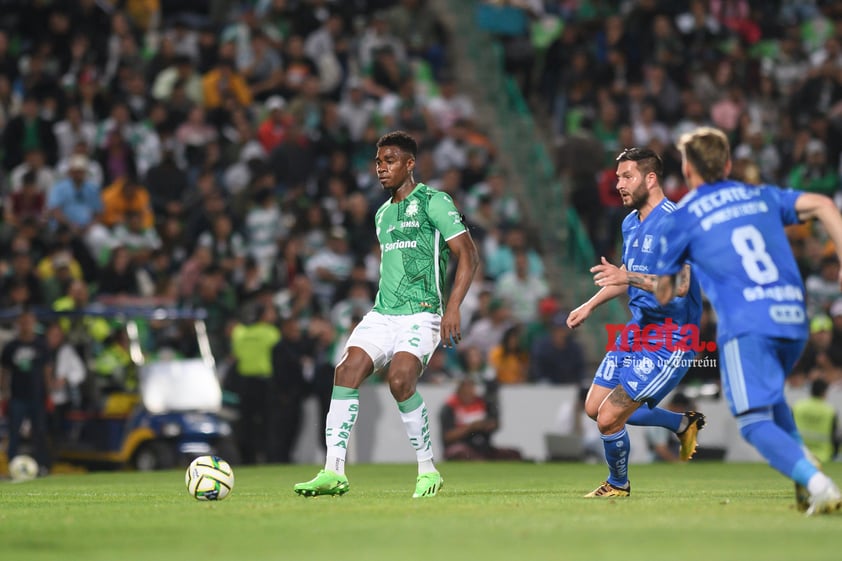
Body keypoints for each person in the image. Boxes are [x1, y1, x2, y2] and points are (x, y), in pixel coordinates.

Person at [654, 125, 842, 515]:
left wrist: (666, 280)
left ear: (688, 170)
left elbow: (664, 291)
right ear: (726, 164)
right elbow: (824, 204)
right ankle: (805, 471)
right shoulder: (760, 195)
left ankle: (818, 484)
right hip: (793, 319)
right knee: (771, 402)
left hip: (747, 325)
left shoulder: (683, 216)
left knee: (753, 422)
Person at [294, 130, 479, 499]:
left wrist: (453, 306)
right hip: (383, 313)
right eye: (378, 162)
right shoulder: (381, 214)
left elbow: (468, 254)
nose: (381, 169)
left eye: (389, 161)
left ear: (410, 164)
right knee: (345, 371)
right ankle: (333, 472)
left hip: (423, 313)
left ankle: (428, 470)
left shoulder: (434, 201)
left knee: (399, 380)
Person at [566, 147, 706, 498]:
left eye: (626, 177)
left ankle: (618, 485)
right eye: (617, 178)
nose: (619, 185)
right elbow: (626, 273)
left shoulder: (675, 222)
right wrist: (590, 305)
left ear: (651, 178)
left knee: (609, 417)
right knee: (593, 408)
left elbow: (681, 286)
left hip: (672, 337)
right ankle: (682, 423)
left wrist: (628, 279)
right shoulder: (630, 222)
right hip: (638, 330)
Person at [0, 309, 52, 474]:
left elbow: (47, 370)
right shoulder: (11, 346)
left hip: (37, 396)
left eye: (29, 321)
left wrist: (49, 394)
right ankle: (11, 465)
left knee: (39, 432)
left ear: (34, 323)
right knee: (14, 432)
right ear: (18, 324)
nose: (26, 325)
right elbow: (4, 371)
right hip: (17, 396)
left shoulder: (41, 345)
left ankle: (42, 466)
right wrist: (3, 393)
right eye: (23, 322)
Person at [439, 377, 522, 461]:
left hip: (482, 447)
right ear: (459, 391)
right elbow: (447, 436)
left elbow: (495, 424)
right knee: (460, 452)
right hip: (459, 445)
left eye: (471, 389)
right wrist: (470, 427)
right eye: (466, 390)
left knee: (513, 454)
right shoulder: (450, 407)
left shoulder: (482, 403)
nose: (469, 392)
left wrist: (486, 425)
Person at [792, 378, 839, 465]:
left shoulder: (798, 406)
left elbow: (788, 428)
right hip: (823, 456)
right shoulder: (829, 410)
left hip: (800, 453)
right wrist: (835, 454)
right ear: (823, 392)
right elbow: (835, 436)